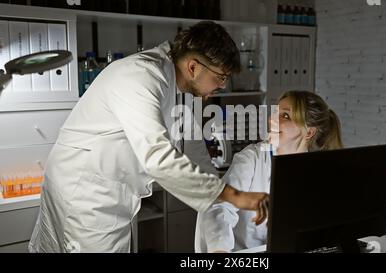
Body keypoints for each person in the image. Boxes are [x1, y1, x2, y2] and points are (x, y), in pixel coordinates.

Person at [29, 21, 269, 253]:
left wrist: (221, 197)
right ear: (194, 67)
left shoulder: (182, 90)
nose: (223, 86)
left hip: (110, 193)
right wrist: (235, 196)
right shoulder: (140, 76)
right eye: (221, 77)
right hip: (85, 193)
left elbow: (195, 151)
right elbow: (158, 157)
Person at [195, 90, 344, 253]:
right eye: (275, 113)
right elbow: (220, 206)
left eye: (285, 116)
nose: (272, 119)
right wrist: (219, 250)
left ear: (309, 132)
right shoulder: (252, 158)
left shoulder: (316, 170)